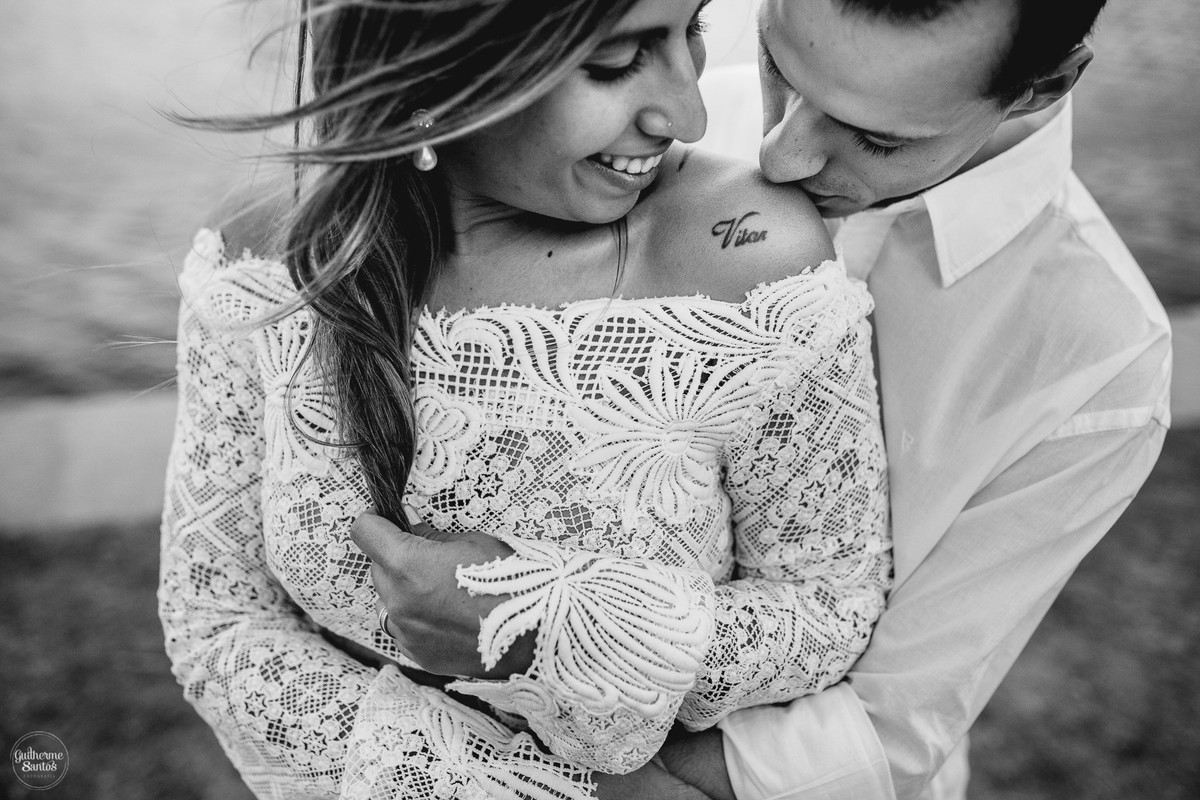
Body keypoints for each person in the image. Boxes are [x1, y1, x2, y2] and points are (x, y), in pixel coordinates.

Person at [158, 0, 891, 797]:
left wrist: (550, 623)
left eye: (694, 30)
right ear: (439, 65)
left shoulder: (750, 260)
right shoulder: (268, 260)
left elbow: (829, 609)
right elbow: (218, 624)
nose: (689, 114)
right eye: (615, 61)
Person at [646, 1, 1173, 798]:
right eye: (777, 65)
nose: (778, 153)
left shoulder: (1103, 361)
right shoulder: (661, 130)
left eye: (878, 140)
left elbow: (885, 734)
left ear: (1044, 85)